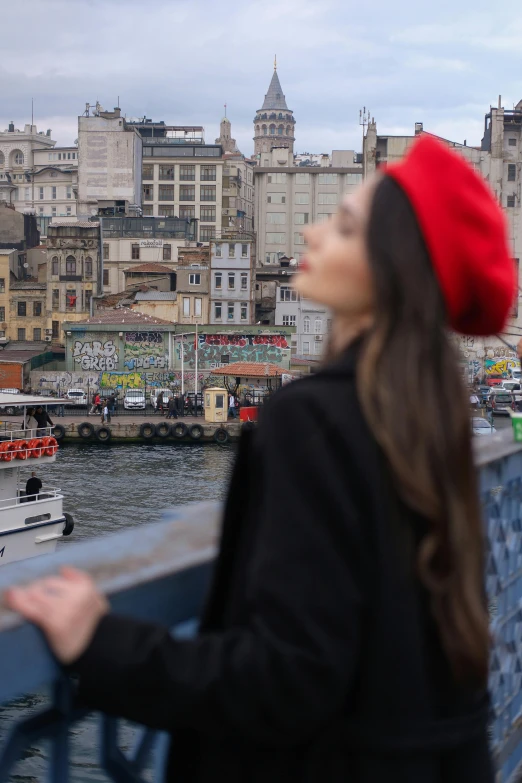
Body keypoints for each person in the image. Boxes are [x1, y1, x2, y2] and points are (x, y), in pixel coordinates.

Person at [7, 136, 514, 783]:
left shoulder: (314, 418)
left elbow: (286, 679)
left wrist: (104, 644)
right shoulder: (433, 420)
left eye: (344, 224)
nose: (312, 229)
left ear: (389, 268)